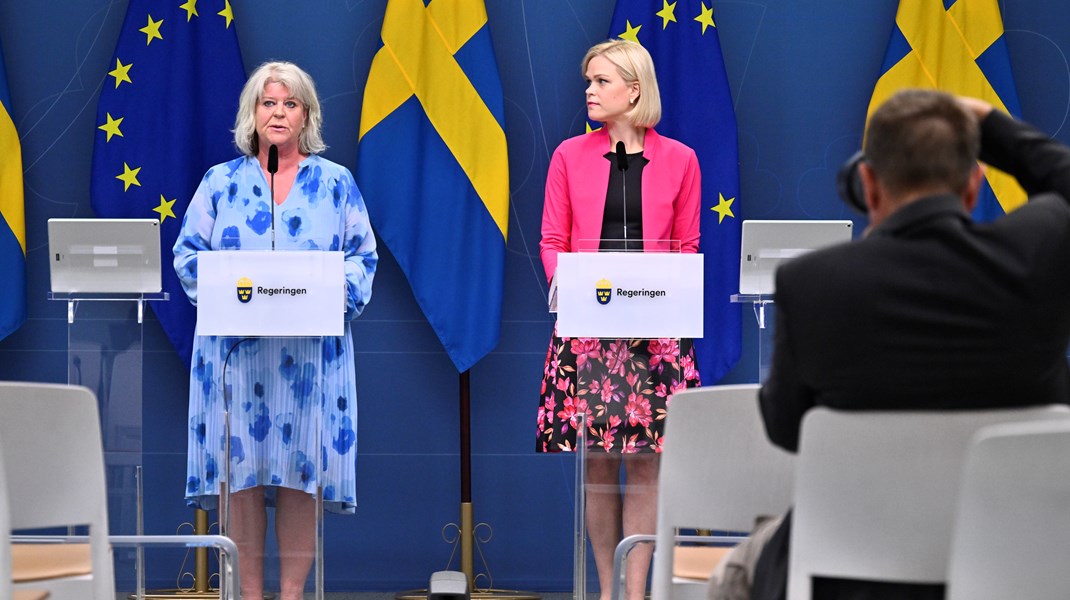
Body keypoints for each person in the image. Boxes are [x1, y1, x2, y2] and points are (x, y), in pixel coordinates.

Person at [749, 89, 1070, 600]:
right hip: (1020, 566)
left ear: (869, 186)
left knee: (751, 556)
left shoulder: (812, 284)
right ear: (974, 186)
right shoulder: (1036, 257)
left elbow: (787, 429)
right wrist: (993, 126)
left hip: (851, 579)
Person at [173, 61, 378, 600]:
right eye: (269, 103)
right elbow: (187, 255)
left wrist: (333, 294)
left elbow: (363, 259)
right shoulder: (221, 182)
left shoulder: (336, 183)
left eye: (290, 104)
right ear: (252, 114)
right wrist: (225, 288)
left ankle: (291, 595)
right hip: (235, 359)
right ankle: (250, 596)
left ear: (306, 114)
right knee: (239, 482)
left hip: (310, 359)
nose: (278, 113)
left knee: (299, 480)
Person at [537, 39, 703, 600]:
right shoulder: (568, 156)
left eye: (601, 81)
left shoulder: (681, 159)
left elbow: (687, 246)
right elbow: (553, 242)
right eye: (588, 81)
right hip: (589, 334)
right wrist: (575, 291)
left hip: (656, 337)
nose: (589, 91)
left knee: (648, 466)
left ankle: (638, 594)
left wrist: (664, 305)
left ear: (634, 89)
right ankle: (606, 591)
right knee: (600, 465)